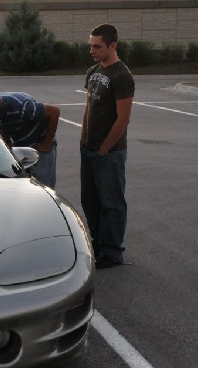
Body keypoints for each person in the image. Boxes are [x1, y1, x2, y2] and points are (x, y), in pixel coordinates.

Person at [80, 24, 135, 269]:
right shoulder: (93, 71)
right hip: (88, 148)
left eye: (97, 46)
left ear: (112, 45)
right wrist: (83, 137)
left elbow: (123, 118)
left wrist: (105, 148)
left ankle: (112, 252)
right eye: (90, 45)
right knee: (89, 200)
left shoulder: (121, 76)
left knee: (111, 202)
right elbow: (88, 106)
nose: (92, 50)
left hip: (109, 153)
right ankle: (98, 244)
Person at [0, 91, 60, 189]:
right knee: (22, 182)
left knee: (43, 184)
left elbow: (54, 112)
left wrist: (46, 144)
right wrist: (8, 144)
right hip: (20, 141)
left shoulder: (21, 108)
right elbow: (2, 126)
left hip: (40, 139)